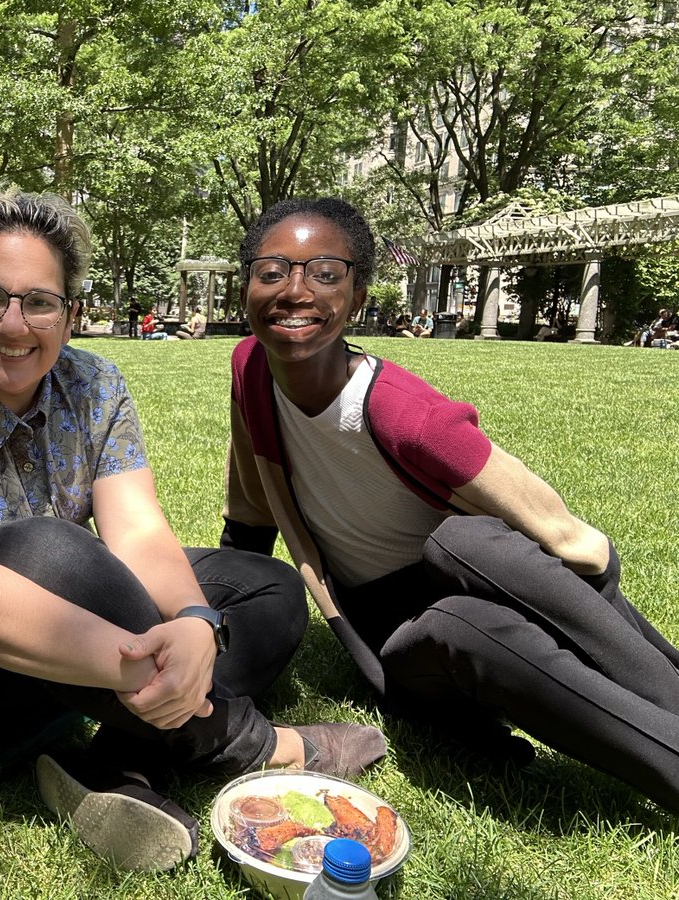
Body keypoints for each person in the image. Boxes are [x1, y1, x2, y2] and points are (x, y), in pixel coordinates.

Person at [0, 184, 385, 873]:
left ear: (70, 313)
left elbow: (141, 534)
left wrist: (190, 624)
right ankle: (246, 742)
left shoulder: (95, 386)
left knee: (264, 588)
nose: (13, 324)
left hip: (60, 636)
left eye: (39, 302)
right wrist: (143, 666)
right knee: (46, 545)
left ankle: (118, 763)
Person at [224, 196, 679, 813]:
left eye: (326, 273)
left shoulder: (407, 415)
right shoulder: (250, 365)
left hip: (497, 583)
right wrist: (232, 592)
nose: (295, 290)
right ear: (246, 283)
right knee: (457, 625)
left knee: (466, 543)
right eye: (272, 271)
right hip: (405, 637)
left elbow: (567, 539)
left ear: (358, 297)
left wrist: (585, 616)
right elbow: (251, 491)